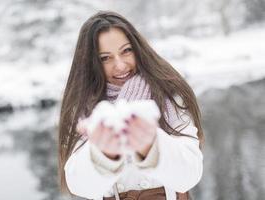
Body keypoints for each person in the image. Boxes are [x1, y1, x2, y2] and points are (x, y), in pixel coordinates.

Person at [58, 11, 204, 200]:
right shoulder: (82, 108)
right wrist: (104, 153)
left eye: (126, 51)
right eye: (105, 58)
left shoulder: (167, 93)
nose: (120, 65)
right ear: (90, 63)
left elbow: (189, 175)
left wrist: (150, 144)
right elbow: (79, 186)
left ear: (138, 48)